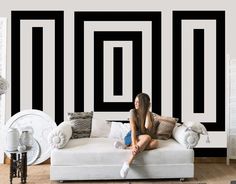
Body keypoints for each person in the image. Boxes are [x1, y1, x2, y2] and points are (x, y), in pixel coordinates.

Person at [114, 93, 159, 178]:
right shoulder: (132, 112)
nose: (135, 103)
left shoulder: (150, 114)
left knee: (155, 143)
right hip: (132, 136)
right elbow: (133, 130)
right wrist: (135, 145)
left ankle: (127, 147)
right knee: (147, 137)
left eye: (138, 102)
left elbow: (147, 127)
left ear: (143, 103)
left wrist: (147, 111)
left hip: (143, 139)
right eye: (135, 101)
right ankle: (128, 163)